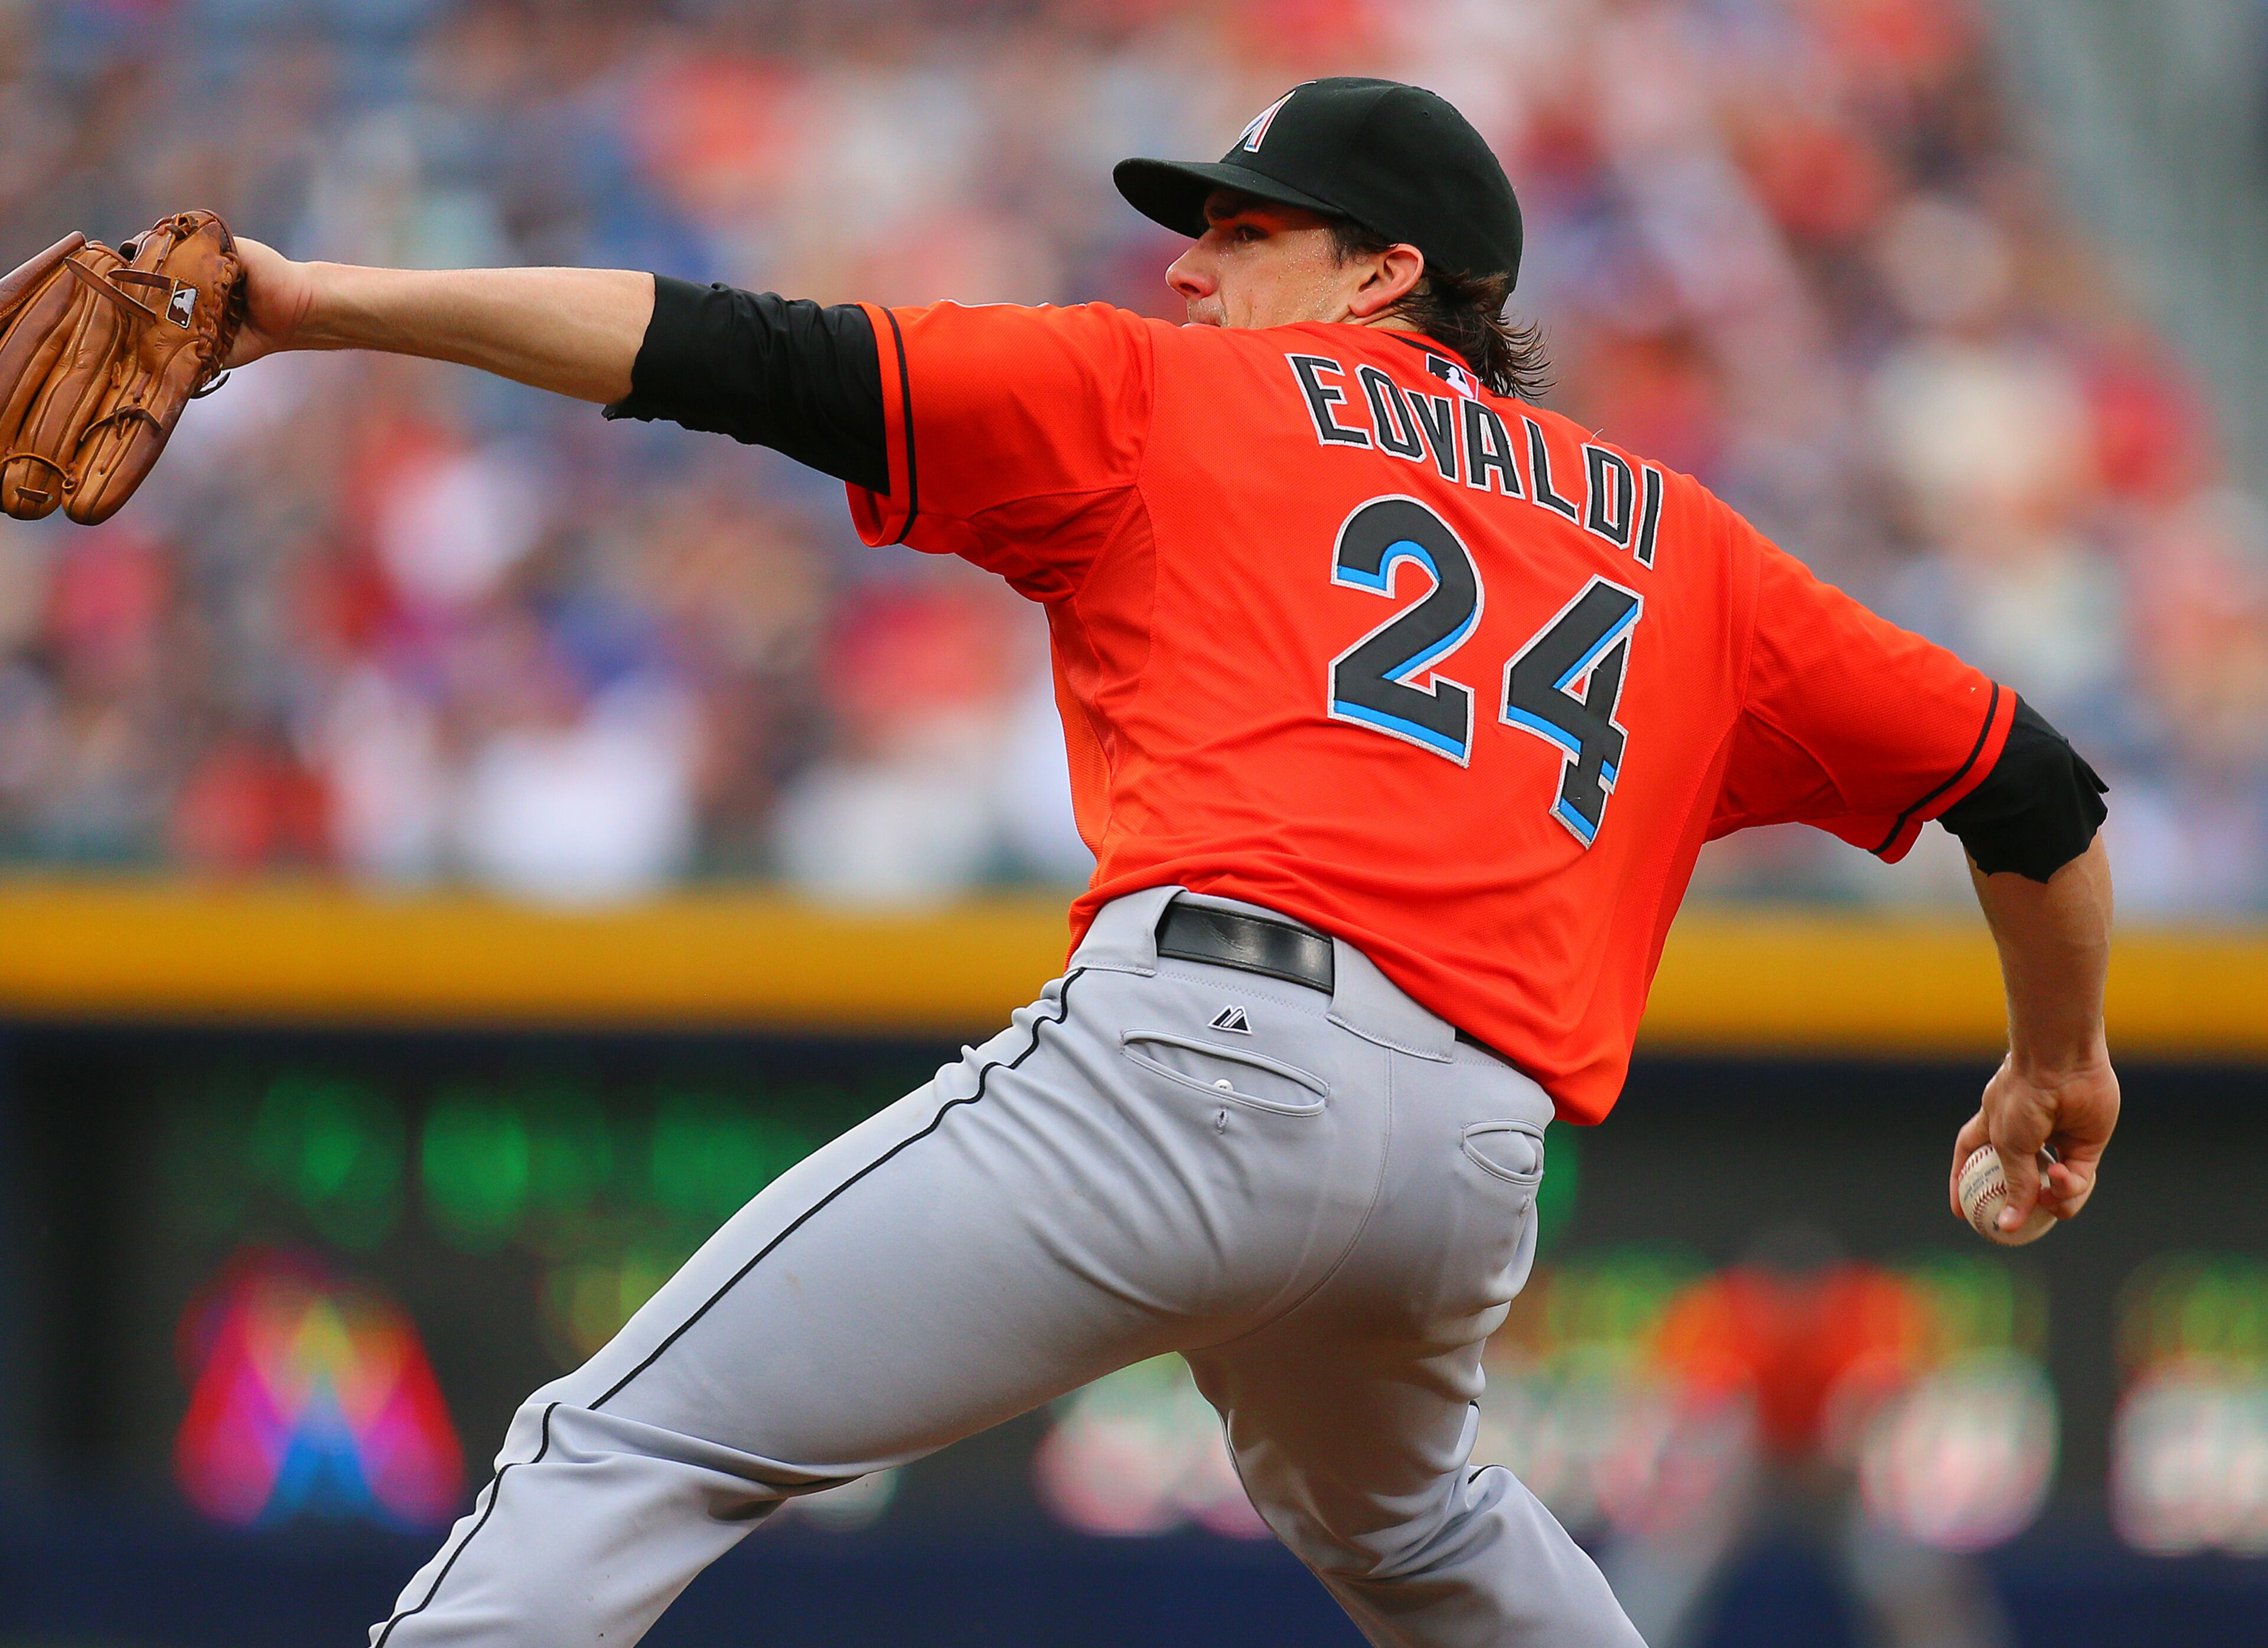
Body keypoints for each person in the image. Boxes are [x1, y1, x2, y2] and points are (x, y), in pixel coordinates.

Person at [219, 77, 2119, 1648]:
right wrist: (2059, 1059)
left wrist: (315, 305)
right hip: (1470, 1168)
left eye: (1244, 231)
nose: (1188, 263)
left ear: (1389, 276)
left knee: (619, 1447)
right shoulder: (1689, 546)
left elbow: (718, 349)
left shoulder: (1171, 395)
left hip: (1194, 1057)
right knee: (1425, 1539)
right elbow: (2030, 786)